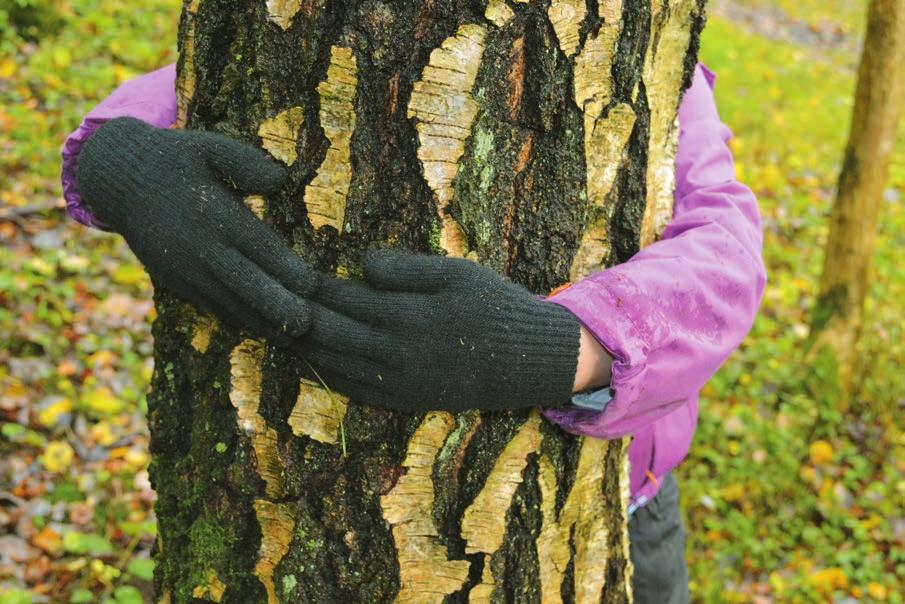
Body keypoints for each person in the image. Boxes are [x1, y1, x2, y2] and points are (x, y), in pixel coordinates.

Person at [62, 59, 765, 602]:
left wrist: (563, 349)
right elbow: (201, 73)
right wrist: (115, 159)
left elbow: (726, 252)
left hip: (624, 497)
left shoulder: (650, 67)